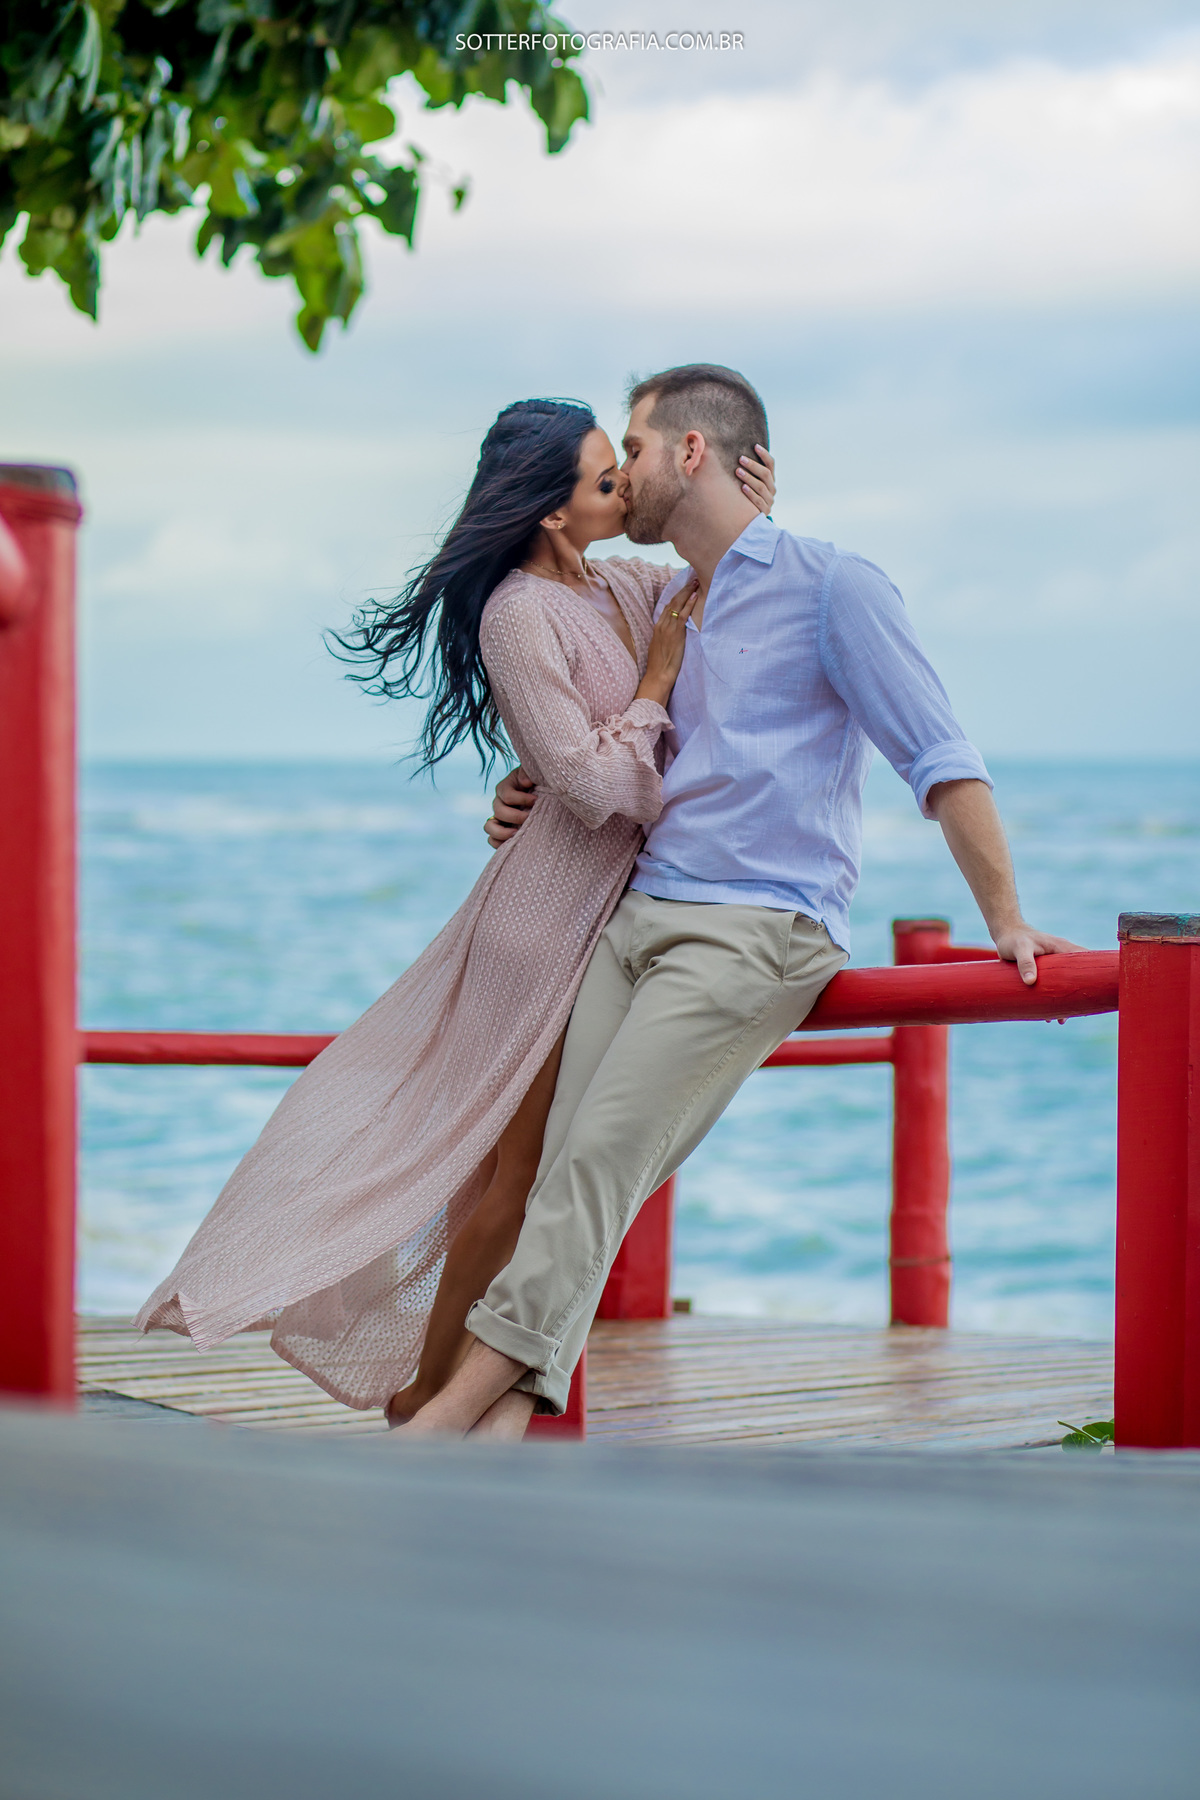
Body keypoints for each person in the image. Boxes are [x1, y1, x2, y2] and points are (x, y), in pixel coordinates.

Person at [397, 362, 1085, 1442]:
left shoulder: (833, 585)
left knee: (589, 1168)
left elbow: (942, 758)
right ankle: (485, 1459)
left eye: (631, 446)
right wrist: (526, 782)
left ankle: (437, 1428)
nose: (619, 472)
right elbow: (585, 721)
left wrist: (1003, 914)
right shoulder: (661, 594)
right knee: (567, 1188)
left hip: (757, 926)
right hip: (634, 919)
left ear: (689, 452)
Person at [134, 397, 775, 1425]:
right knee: (515, 1180)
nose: (627, 489)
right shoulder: (518, 613)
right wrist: (654, 684)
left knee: (536, 1176)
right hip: (548, 926)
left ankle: (443, 1398)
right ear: (554, 512)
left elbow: (716, 582)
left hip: (597, 912)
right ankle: (424, 1403)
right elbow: (597, 787)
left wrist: (753, 509)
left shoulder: (616, 584)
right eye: (607, 478)